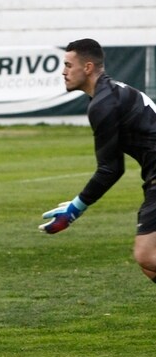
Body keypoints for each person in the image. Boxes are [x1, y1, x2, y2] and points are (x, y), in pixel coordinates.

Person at [39, 38, 156, 284]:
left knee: (147, 255)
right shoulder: (108, 94)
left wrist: (75, 209)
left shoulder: (104, 103)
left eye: (69, 65)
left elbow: (110, 169)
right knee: (150, 267)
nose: (63, 71)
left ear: (88, 67)